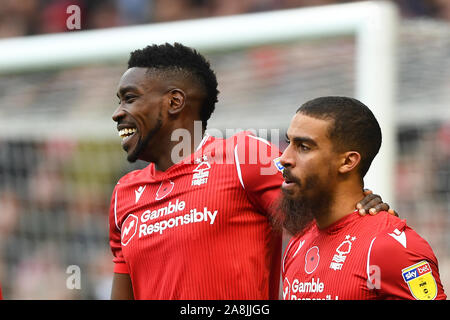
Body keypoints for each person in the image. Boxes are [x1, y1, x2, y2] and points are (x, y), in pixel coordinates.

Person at [109, 43, 391, 299]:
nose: (118, 113)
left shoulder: (243, 158)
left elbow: (330, 221)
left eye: (129, 98)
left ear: (174, 102)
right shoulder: (124, 194)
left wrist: (366, 212)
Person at [280, 96, 446, 300]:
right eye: (289, 142)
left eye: (304, 147)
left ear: (348, 161)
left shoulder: (390, 247)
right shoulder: (298, 243)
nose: (284, 158)